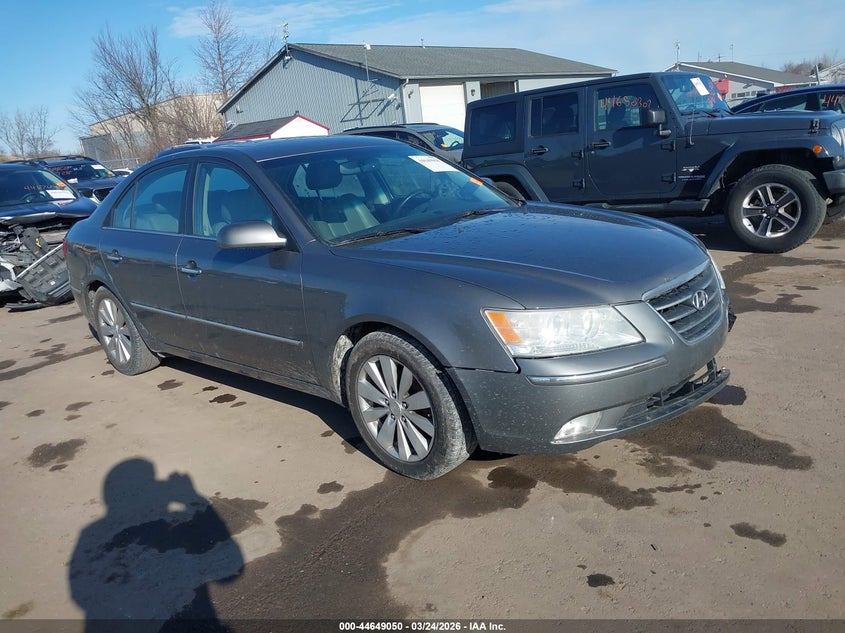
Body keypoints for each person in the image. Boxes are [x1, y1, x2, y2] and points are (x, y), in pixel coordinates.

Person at [69, 459, 244, 632]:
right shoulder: (93, 532)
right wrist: (191, 496)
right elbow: (231, 571)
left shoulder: (90, 532)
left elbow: (80, 593)